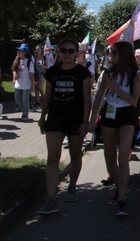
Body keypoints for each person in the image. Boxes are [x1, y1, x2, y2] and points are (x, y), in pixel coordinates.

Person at [37, 39, 92, 215]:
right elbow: (47, 96)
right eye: (63, 50)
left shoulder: (82, 72)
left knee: (75, 154)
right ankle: (51, 198)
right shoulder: (52, 72)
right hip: (55, 118)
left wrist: (86, 121)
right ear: (58, 52)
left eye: (71, 51)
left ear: (76, 53)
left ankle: (72, 186)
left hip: (75, 119)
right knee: (53, 157)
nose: (67, 54)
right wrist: (42, 117)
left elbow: (86, 99)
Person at [89, 41, 140, 216]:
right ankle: (120, 189)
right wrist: (91, 120)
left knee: (123, 156)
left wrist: (115, 88)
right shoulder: (108, 72)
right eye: (111, 52)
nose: (111, 56)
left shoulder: (136, 73)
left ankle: (121, 198)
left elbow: (134, 101)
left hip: (127, 115)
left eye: (114, 52)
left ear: (124, 54)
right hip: (109, 114)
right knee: (109, 154)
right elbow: (98, 98)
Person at [11, 43, 35, 122]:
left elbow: (31, 74)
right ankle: (25, 108)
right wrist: (14, 76)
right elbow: (14, 70)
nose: (18, 52)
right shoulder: (17, 61)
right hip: (18, 83)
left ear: (24, 52)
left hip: (26, 84)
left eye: (20, 50)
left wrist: (32, 85)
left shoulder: (29, 62)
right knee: (17, 98)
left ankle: (25, 114)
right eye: (18, 50)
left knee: (25, 100)